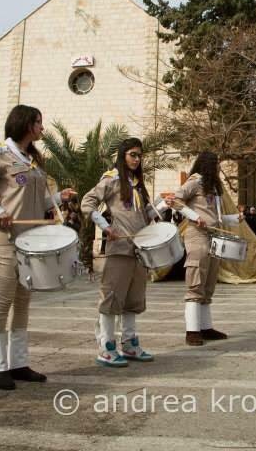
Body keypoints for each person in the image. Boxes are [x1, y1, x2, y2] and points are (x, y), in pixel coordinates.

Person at [0, 104, 75, 390]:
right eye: (38, 122)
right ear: (25, 124)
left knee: (23, 301)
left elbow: (39, 204)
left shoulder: (32, 160)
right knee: (2, 300)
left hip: (32, 240)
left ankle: (19, 362)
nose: (42, 128)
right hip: (7, 239)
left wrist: (60, 197)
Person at [81, 137, 160, 367]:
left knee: (133, 299)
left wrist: (162, 205)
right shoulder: (112, 178)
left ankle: (130, 343)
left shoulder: (137, 183)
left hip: (138, 250)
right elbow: (88, 202)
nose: (136, 159)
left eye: (139, 155)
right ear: (123, 155)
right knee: (111, 298)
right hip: (119, 248)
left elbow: (143, 214)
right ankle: (106, 347)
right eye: (132, 154)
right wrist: (106, 227)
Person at [166, 151, 240, 345]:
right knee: (196, 281)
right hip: (197, 235)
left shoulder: (213, 188)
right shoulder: (195, 181)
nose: (218, 168)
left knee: (208, 283)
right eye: (216, 164)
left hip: (213, 236)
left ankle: (206, 328)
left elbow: (215, 217)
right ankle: (192, 331)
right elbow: (175, 200)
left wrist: (234, 219)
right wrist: (194, 217)